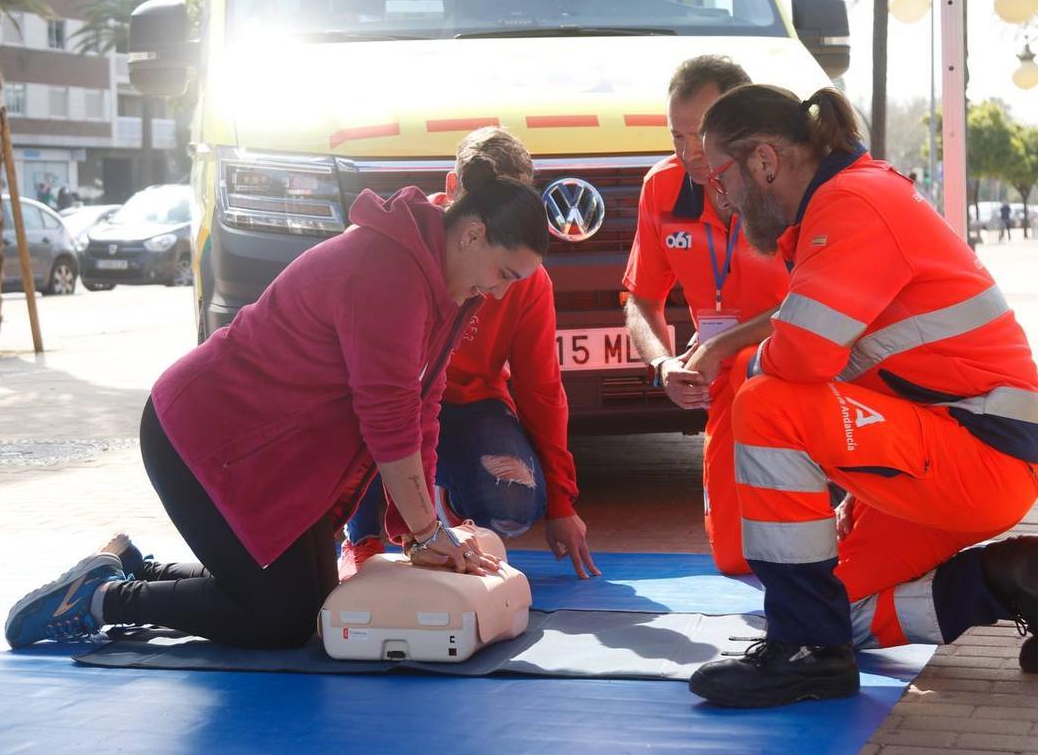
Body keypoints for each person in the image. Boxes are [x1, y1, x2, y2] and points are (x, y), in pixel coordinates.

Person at [4, 159, 551, 649]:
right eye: (506, 274)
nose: (501, 293)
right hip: (201, 439)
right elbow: (388, 421)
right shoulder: (389, 270)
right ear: (472, 235)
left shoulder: (452, 288)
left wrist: (417, 533)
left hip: (263, 451)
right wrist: (429, 532)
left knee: (316, 602)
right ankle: (100, 600)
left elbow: (423, 408)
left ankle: (135, 569)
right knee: (282, 621)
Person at [686, 83, 1038, 708]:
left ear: (764, 161)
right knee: (838, 610)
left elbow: (804, 356)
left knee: (762, 399)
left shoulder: (853, 204)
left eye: (718, 178)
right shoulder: (854, 196)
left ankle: (804, 653)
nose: (721, 199)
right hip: (962, 452)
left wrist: (746, 359)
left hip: (979, 456)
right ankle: (1007, 580)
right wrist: (861, 488)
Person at [341, 127, 599, 580]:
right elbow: (384, 398)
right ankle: (362, 536)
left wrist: (561, 500)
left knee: (514, 504)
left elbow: (542, 389)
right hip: (386, 405)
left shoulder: (524, 282)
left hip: (464, 408)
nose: (494, 290)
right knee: (373, 414)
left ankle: (442, 511)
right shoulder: (397, 256)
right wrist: (420, 532)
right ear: (452, 192)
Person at [623, 55, 787, 576]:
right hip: (724, 391)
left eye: (701, 135)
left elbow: (822, 300)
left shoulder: (782, 184)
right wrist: (663, 365)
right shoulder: (661, 187)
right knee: (732, 557)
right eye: (676, 137)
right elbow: (640, 301)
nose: (689, 153)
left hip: (797, 375)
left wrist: (723, 346)